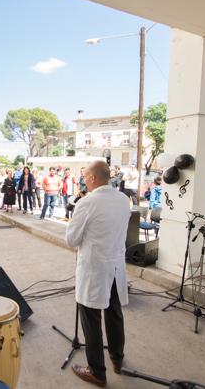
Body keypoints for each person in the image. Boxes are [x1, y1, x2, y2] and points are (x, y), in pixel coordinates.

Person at [65, 161, 131, 388]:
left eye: (85, 177)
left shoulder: (87, 202)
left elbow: (71, 239)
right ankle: (117, 360)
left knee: (91, 320)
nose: (83, 181)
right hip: (115, 267)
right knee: (114, 313)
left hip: (94, 268)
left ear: (92, 178)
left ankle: (97, 372)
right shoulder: (124, 199)